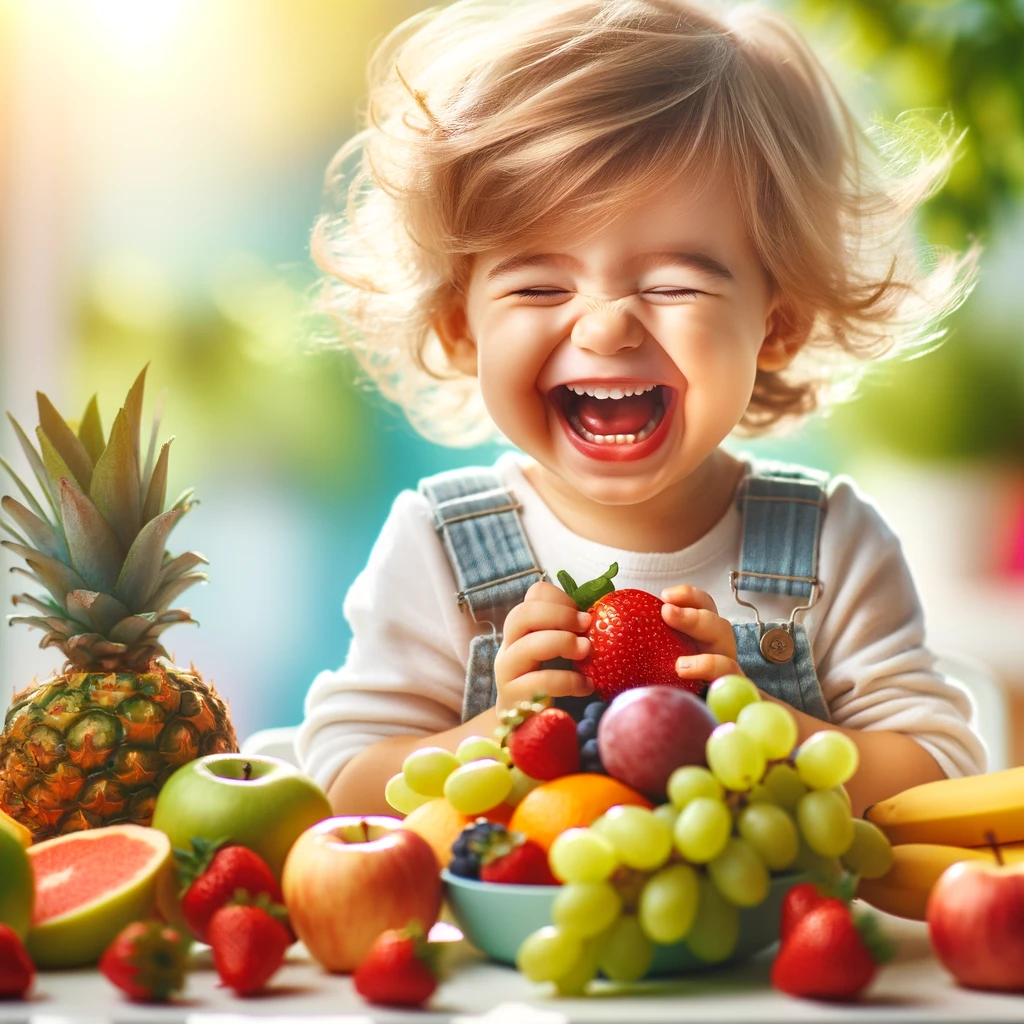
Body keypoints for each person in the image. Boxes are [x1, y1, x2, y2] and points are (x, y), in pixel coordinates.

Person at [297, 0, 987, 819]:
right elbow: (341, 782)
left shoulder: (834, 545)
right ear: (461, 325)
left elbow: (941, 772)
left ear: (778, 322)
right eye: (540, 286)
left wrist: (768, 730)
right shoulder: (437, 549)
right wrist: (497, 732)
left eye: (672, 285)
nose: (607, 325)